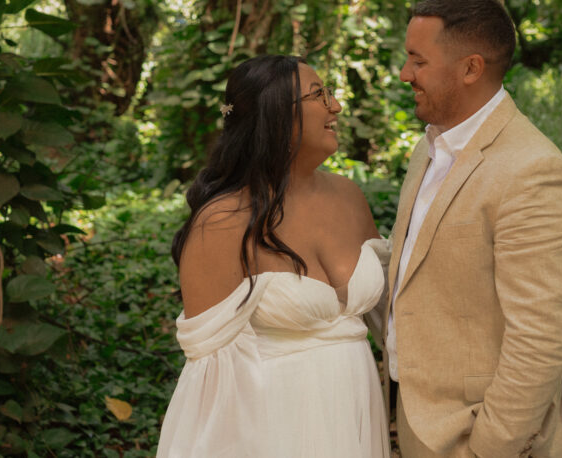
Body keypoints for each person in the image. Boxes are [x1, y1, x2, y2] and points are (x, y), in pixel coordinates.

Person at [384, 0, 562, 458]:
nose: (405, 74)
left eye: (418, 61)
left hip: (483, 438)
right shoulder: (431, 146)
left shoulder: (533, 173)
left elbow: (541, 337)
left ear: (471, 68)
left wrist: (489, 448)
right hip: (420, 423)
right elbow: (420, 264)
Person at [156, 54, 390, 458]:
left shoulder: (350, 197)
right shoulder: (223, 222)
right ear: (275, 115)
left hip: (355, 414)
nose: (336, 106)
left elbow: (394, 318)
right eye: (319, 95)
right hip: (273, 430)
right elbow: (208, 382)